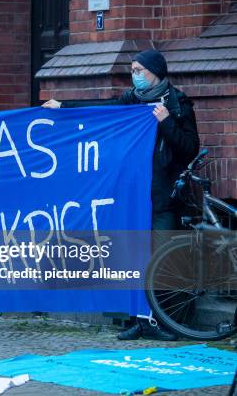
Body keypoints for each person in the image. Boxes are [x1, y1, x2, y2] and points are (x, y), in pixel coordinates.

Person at [42, 49, 200, 341]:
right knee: (133, 255)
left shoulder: (178, 104)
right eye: (133, 70)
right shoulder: (131, 101)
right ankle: (138, 321)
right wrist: (63, 106)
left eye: (139, 70)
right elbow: (102, 111)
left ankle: (164, 322)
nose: (135, 75)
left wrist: (166, 121)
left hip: (163, 195)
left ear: (156, 72)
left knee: (161, 257)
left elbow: (188, 147)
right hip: (132, 194)